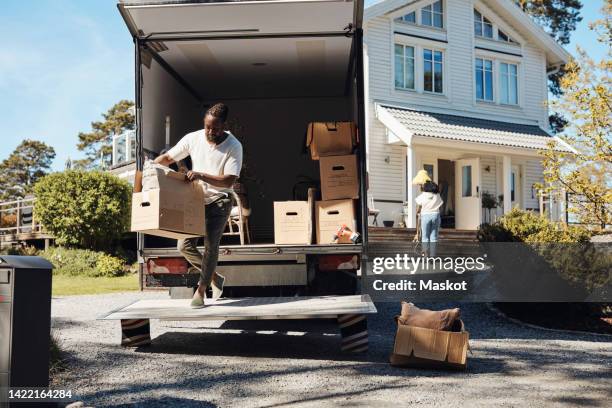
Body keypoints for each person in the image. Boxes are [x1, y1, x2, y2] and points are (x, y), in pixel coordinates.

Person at [154, 103, 243, 308]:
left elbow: (228, 181)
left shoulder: (234, 146)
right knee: (183, 245)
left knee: (211, 247)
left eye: (216, 128)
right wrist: (151, 169)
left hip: (220, 200)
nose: (211, 132)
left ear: (224, 125)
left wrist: (200, 174)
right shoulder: (193, 138)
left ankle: (201, 291)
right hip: (196, 199)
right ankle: (214, 277)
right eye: (207, 127)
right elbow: (168, 158)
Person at [415, 179, 443, 257]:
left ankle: (425, 255)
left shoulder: (423, 195)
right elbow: (440, 205)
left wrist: (417, 212)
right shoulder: (437, 195)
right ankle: (432, 256)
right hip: (435, 215)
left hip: (425, 215)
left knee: (425, 237)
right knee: (433, 237)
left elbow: (419, 206)